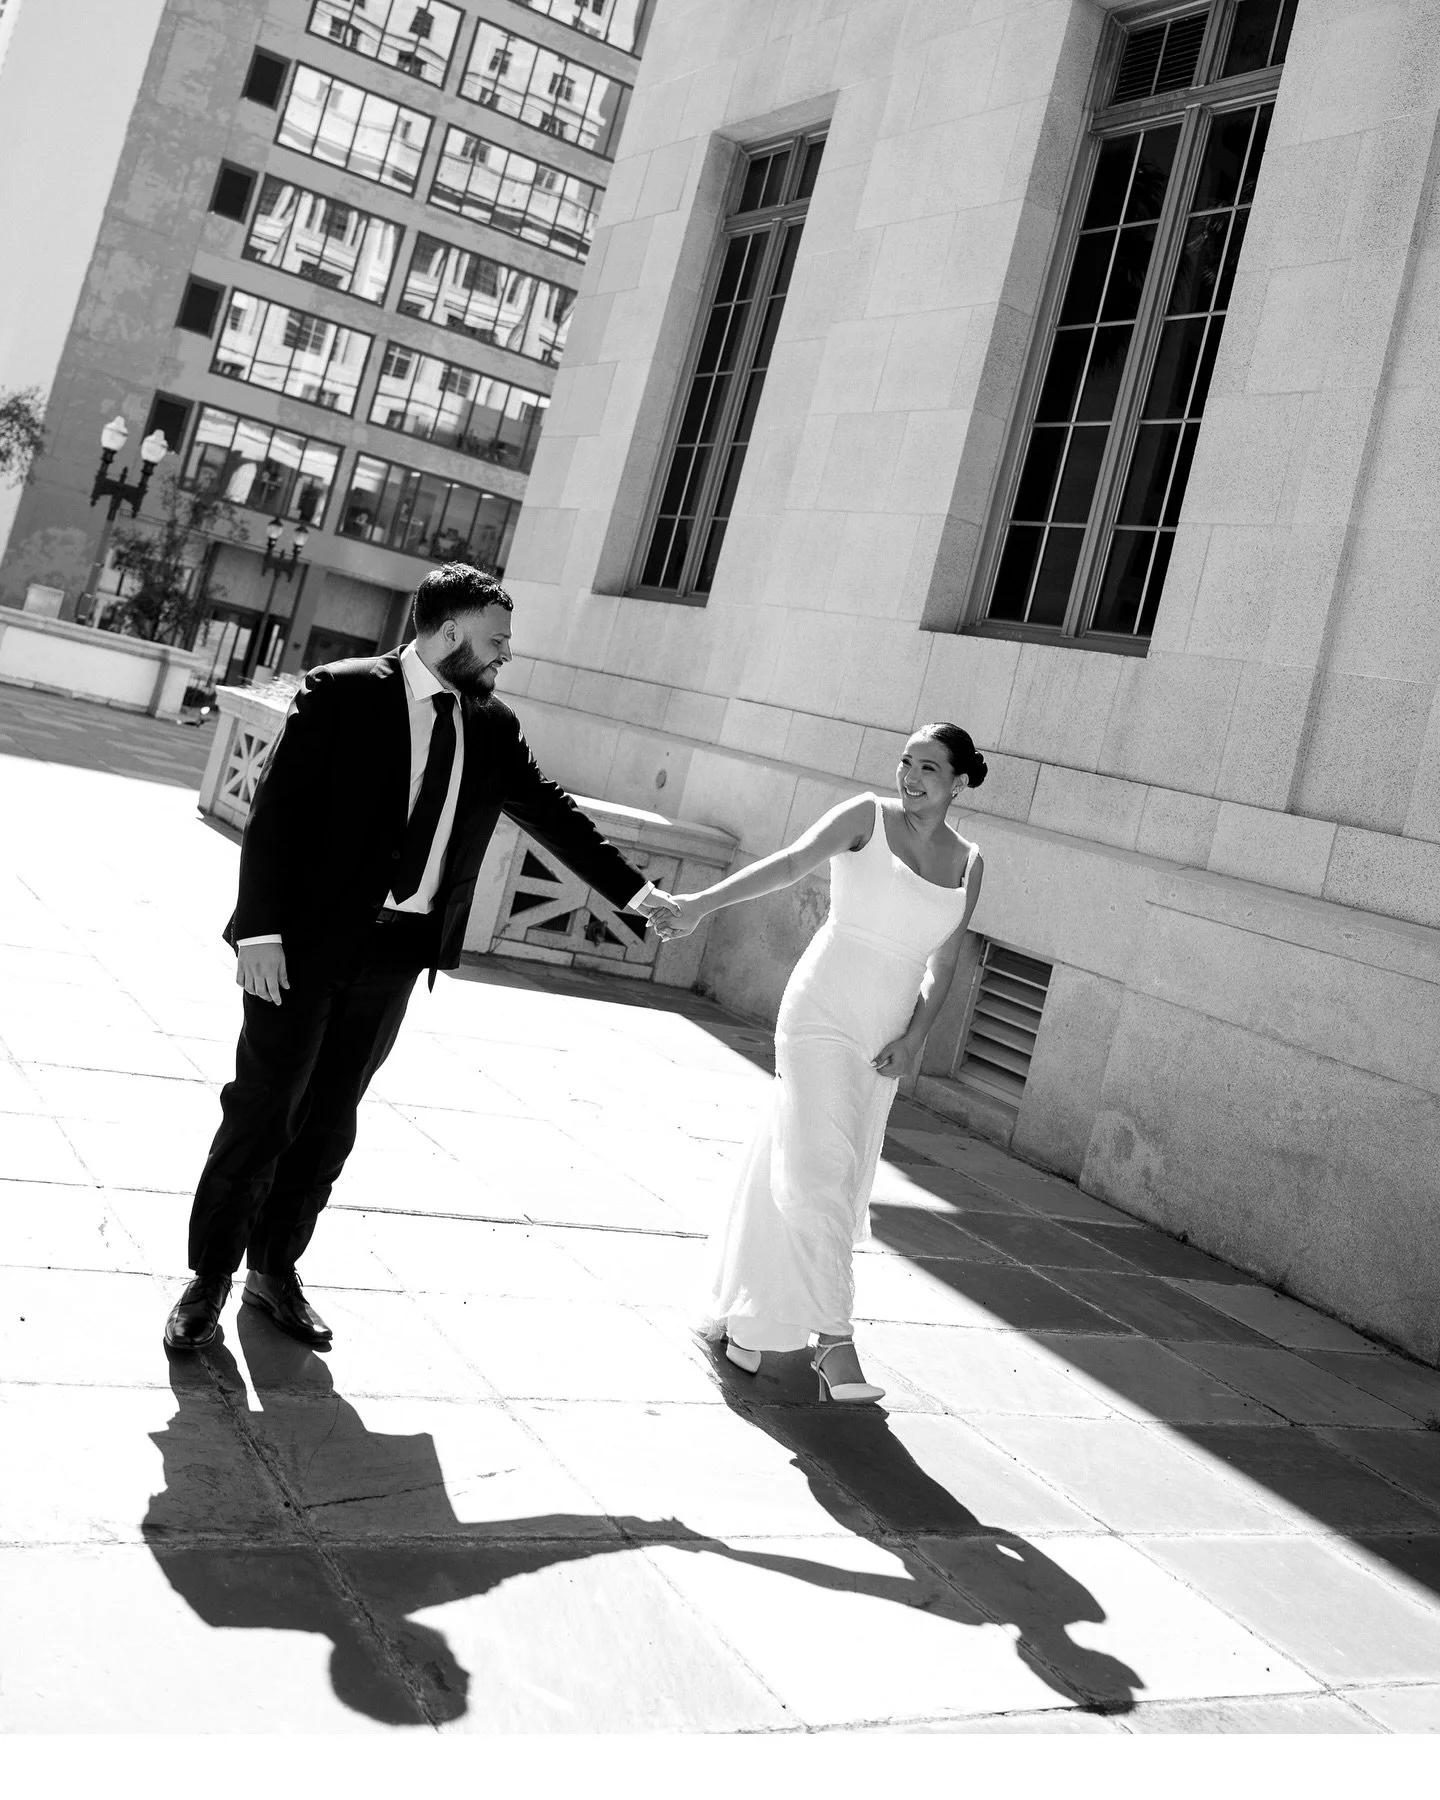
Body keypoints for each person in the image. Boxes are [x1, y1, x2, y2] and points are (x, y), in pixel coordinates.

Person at [164, 563, 674, 1353]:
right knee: (265, 1109)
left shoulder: (491, 726)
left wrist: (636, 895)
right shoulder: (340, 691)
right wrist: (259, 933)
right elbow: (279, 814)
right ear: (450, 633)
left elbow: (551, 812)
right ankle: (209, 1278)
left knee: (329, 1121)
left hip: (399, 952)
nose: (507, 655)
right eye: (497, 641)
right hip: (302, 945)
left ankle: (273, 1271)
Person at [657, 723, 987, 1403]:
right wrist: (698, 906)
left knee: (811, 1164)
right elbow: (788, 864)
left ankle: (753, 1319)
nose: (910, 776)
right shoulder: (866, 816)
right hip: (822, 1013)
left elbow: (944, 964)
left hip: (883, 1036)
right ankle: (835, 1340)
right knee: (820, 1170)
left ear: (959, 782)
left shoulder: (969, 862)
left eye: (929, 767)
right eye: (905, 762)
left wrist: (916, 1038)